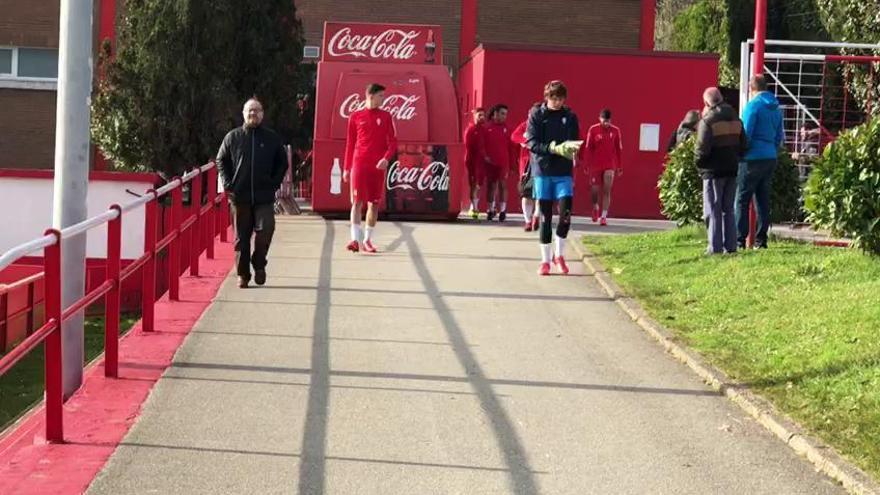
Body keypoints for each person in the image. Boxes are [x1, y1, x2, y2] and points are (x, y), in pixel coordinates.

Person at [216, 97, 288, 289]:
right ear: (243, 114)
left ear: (262, 114)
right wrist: (228, 183)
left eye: (256, 110)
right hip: (240, 197)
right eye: (249, 111)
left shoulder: (271, 138)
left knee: (266, 229)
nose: (253, 114)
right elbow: (220, 160)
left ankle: (259, 263)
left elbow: (283, 163)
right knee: (242, 238)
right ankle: (243, 274)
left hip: (264, 196)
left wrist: (274, 183)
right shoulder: (233, 137)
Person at [526, 80, 582, 276]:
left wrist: (572, 150)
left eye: (560, 99)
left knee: (565, 215)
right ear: (547, 97)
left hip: (563, 172)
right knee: (545, 216)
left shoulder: (570, 116)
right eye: (554, 98)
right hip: (543, 171)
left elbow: (575, 139)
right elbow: (531, 142)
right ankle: (545, 260)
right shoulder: (537, 115)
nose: (557, 102)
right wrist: (550, 148)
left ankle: (559, 254)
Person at [343, 83, 398, 254]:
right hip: (359, 164)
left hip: (377, 167)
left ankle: (367, 240)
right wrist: (346, 168)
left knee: (373, 204)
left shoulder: (386, 116)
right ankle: (354, 240)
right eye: (381, 96)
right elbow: (350, 144)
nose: (384, 99)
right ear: (370, 96)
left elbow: (393, 142)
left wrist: (386, 159)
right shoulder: (355, 116)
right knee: (357, 202)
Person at [696, 88, 747, 255]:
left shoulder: (707, 121)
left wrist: (700, 164)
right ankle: (731, 246)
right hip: (732, 168)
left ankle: (714, 247)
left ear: (706, 102)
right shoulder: (736, 118)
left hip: (713, 170)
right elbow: (744, 145)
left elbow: (702, 149)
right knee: (728, 209)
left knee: (713, 209)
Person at [737, 75, 784, 249]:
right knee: (763, 199)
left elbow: (746, 134)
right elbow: (779, 135)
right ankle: (761, 239)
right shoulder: (776, 108)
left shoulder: (753, 106)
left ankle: (739, 239)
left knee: (742, 198)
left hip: (751, 158)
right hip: (770, 157)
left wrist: (741, 152)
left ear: (751, 89)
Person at [584, 109, 623, 226]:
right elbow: (588, 148)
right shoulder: (593, 129)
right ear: (600, 119)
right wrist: (587, 164)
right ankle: (595, 207)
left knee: (607, 190)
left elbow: (618, 149)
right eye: (604, 120)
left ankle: (604, 216)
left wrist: (619, 166)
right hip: (596, 165)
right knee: (595, 190)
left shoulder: (616, 131)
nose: (606, 123)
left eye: (608, 121)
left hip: (609, 165)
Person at [483, 104, 513, 221]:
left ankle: (503, 211)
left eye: (505, 114)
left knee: (503, 185)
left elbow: (511, 147)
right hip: (490, 162)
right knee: (491, 185)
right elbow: (482, 145)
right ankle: (490, 210)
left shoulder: (507, 129)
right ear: (495, 113)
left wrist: (512, 164)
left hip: (503, 162)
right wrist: (485, 157)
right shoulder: (486, 128)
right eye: (502, 113)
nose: (504, 116)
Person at [511, 119, 540, 231]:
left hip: (542, 162)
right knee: (526, 193)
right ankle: (528, 221)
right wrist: (525, 140)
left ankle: (536, 216)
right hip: (527, 163)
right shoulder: (525, 125)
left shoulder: (548, 124)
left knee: (540, 193)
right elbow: (514, 136)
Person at [463, 108, 490, 219]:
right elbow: (468, 147)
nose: (482, 117)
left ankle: (474, 206)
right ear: (474, 116)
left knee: (479, 184)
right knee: (473, 184)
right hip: (472, 161)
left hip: (482, 162)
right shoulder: (470, 130)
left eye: (483, 115)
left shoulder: (484, 130)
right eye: (480, 115)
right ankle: (474, 208)